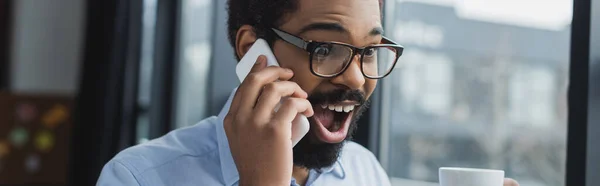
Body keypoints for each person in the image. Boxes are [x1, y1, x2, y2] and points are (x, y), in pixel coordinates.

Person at [97, 0, 520, 185]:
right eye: (326, 48)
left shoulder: (365, 173)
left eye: (370, 50)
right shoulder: (137, 178)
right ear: (252, 51)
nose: (356, 79)